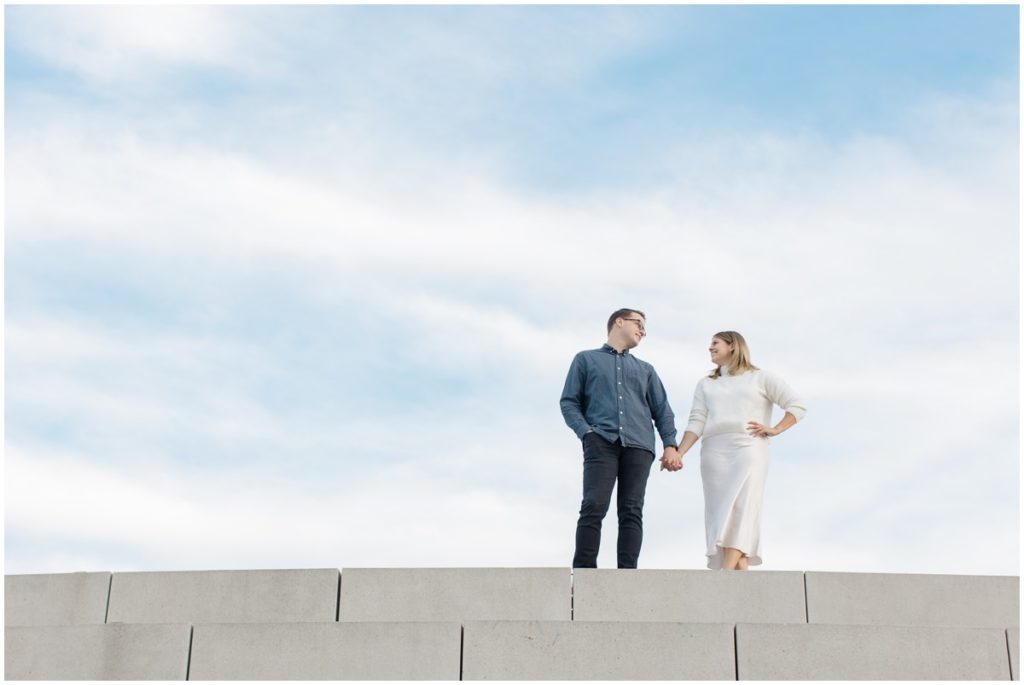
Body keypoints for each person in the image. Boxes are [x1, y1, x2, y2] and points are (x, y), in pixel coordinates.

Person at [661, 331, 806, 570]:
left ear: (732, 346)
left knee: (741, 508)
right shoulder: (706, 383)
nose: (710, 348)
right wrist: (679, 452)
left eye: (715, 343)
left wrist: (776, 429)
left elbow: (797, 405)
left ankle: (723, 576)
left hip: (748, 447)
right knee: (721, 516)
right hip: (714, 452)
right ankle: (737, 582)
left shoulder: (761, 378)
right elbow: (697, 421)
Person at [560, 308, 679, 569]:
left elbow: (662, 411)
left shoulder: (646, 370)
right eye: (639, 324)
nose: (643, 332)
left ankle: (627, 577)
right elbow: (569, 402)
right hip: (600, 440)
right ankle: (583, 573)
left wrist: (670, 445)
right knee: (593, 505)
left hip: (639, 445)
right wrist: (586, 433)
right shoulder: (585, 360)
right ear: (619, 322)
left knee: (632, 510)